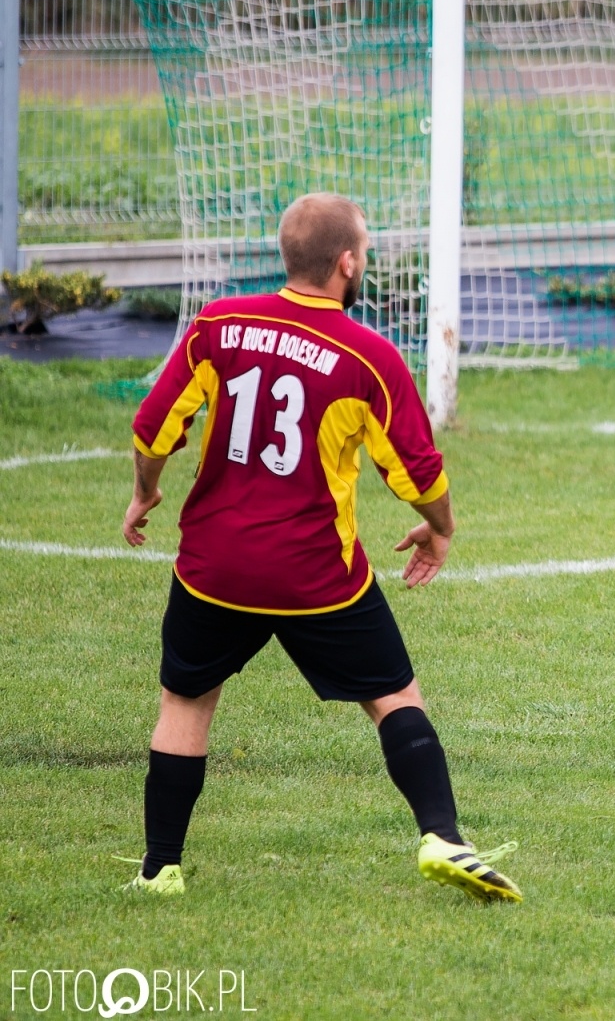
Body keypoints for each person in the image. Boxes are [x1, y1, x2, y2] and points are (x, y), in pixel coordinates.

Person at [119, 192, 521, 901]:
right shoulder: (367, 355)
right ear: (347, 262)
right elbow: (417, 472)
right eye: (362, 247)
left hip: (214, 570)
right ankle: (444, 837)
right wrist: (443, 528)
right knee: (395, 696)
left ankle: (160, 870)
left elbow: (153, 428)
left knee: (184, 705)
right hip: (316, 577)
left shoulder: (219, 323)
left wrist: (146, 489)